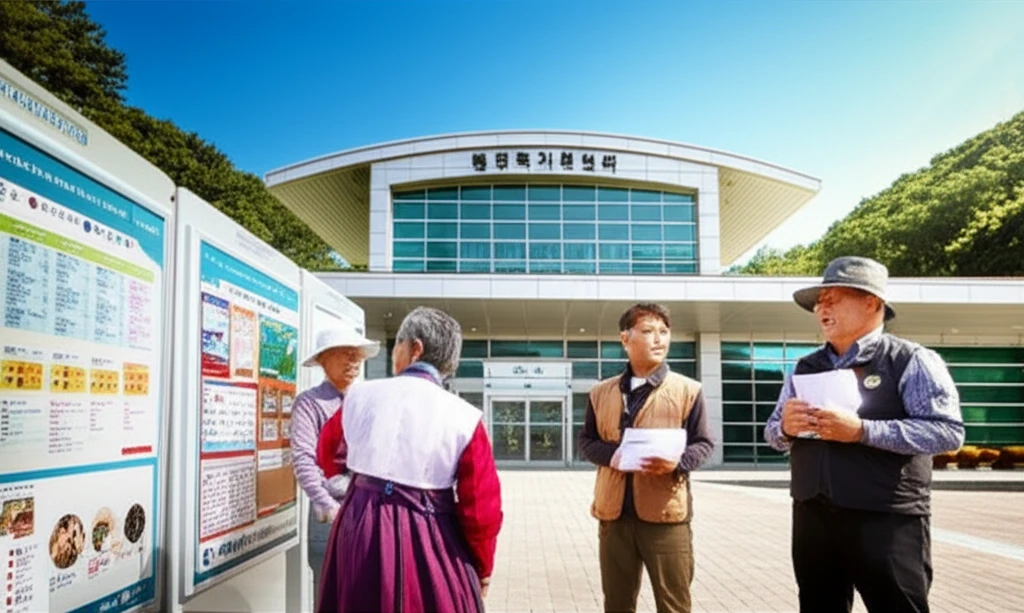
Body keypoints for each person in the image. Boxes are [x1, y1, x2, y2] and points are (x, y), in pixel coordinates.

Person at [764, 256, 965, 613]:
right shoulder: (805, 366)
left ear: (871, 301)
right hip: (813, 516)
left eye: (831, 298)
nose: (820, 309)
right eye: (818, 302)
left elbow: (947, 432)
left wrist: (862, 431)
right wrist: (785, 428)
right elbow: (773, 433)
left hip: (885, 518)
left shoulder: (911, 360)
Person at [317, 306, 503, 613]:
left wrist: (355, 487)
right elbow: (482, 510)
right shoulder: (466, 417)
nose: (393, 355)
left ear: (415, 349)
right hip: (428, 529)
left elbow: (327, 453)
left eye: (397, 346)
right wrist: (482, 568)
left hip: (360, 521)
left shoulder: (359, 395)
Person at [578, 302, 715, 613]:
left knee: (673, 604)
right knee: (617, 604)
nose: (659, 339)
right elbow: (586, 441)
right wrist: (613, 456)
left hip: (666, 516)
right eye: (648, 331)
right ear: (625, 339)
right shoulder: (601, 392)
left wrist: (677, 463)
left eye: (664, 332)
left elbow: (703, 443)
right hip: (613, 517)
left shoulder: (688, 390)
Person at [290, 327, 379, 606]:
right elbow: (303, 458)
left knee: (367, 588)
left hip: (369, 510)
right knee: (329, 589)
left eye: (357, 356)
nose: (353, 361)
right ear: (324, 359)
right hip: (329, 512)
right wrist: (326, 504)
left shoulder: (368, 401)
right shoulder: (309, 403)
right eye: (345, 354)